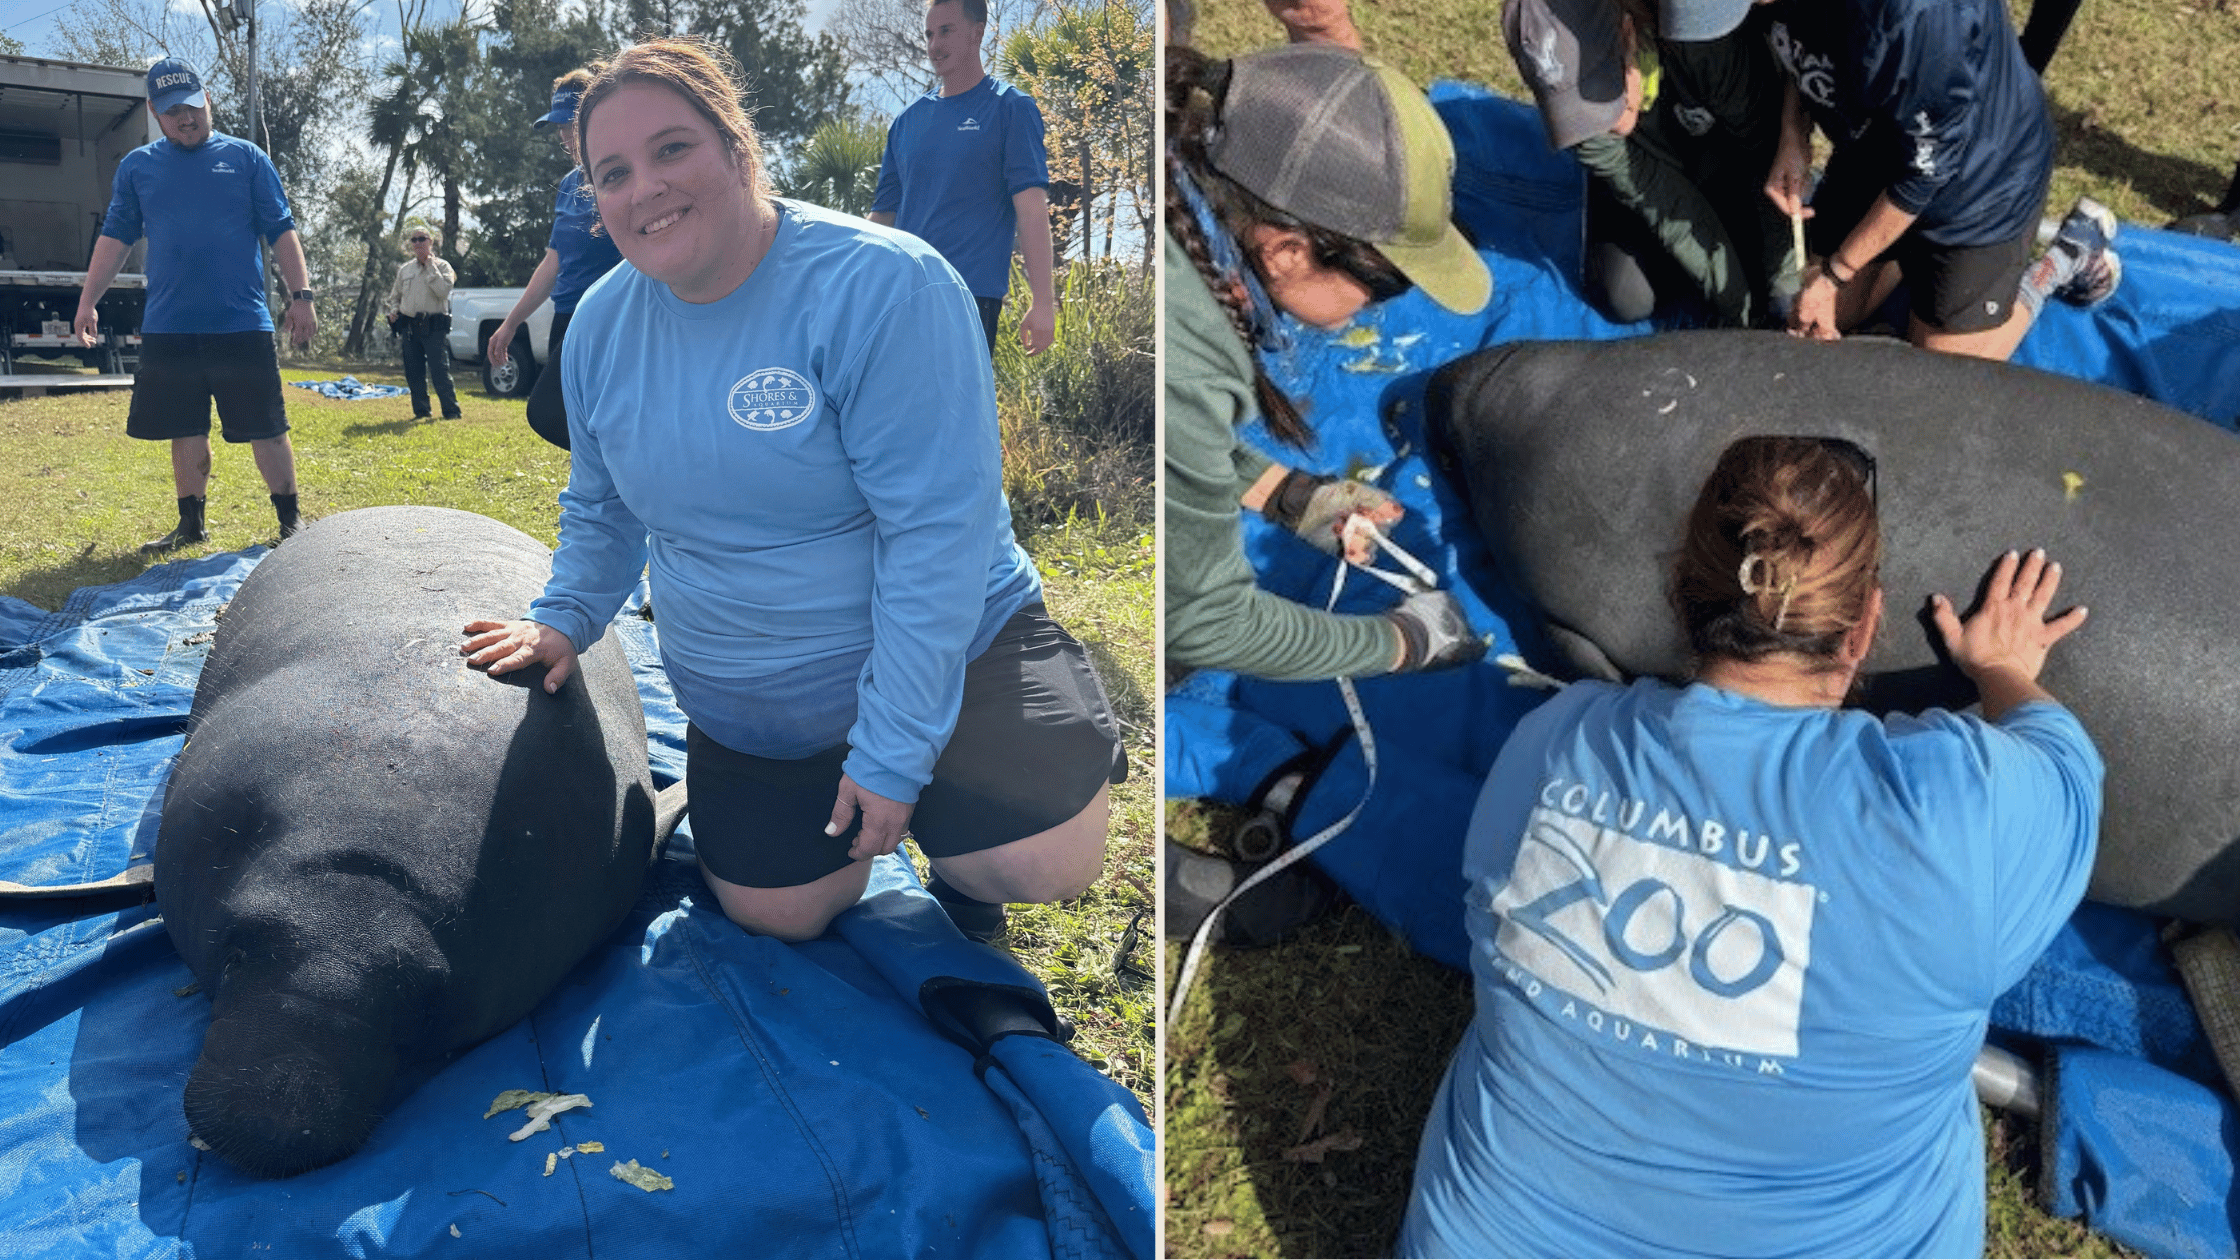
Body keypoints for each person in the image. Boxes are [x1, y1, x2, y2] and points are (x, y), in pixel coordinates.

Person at [458, 38, 1123, 945]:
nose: (643, 187)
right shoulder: (600, 328)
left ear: (737, 146)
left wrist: (893, 754)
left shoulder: (885, 285)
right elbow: (602, 506)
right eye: (611, 173)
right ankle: (842, 803)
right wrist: (565, 615)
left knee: (1037, 857)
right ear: (595, 203)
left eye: (672, 149)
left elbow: (936, 536)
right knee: (777, 915)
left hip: (955, 648)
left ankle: (962, 840)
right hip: (762, 693)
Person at [1397, 436, 2102, 1257]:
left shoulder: (1555, 742)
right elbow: (2065, 763)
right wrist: (2005, 669)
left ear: (1678, 595)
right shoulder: (1959, 812)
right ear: (1865, 625)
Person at [1163, 42, 1493, 939]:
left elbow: (1165, 446)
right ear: (1287, 247)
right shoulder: (1185, 345)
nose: (1385, 307)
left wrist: (1285, 494)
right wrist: (1399, 641)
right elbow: (1209, 625)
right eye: (1383, 283)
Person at [1737, 0, 2120, 361]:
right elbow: (1796, 43)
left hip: (1983, 173)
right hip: (1878, 146)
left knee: (1938, 374)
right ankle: (1907, 255)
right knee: (1816, 319)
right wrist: (1792, 132)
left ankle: (2063, 259)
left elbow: (1925, 173)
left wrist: (1836, 274)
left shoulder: (1917, 15)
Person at [73, 57, 314, 552]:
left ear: (207, 99)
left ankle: (290, 525)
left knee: (266, 427)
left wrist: (301, 296)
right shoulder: (138, 167)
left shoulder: (247, 158)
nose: (185, 118)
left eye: (191, 106)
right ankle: (190, 524)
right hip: (169, 325)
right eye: (171, 111)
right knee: (183, 427)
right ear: (154, 113)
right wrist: (87, 301)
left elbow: (281, 230)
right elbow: (115, 238)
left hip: (241, 322)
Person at [1505, 0, 1790, 326]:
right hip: (1653, 174)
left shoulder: (1704, 40)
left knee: (1767, 266)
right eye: (1577, 107)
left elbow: (1762, 149)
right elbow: (1660, 197)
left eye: (1601, 91)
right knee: (1626, 295)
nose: (1610, 127)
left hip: (1724, 151)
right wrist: (1740, 312)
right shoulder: (1583, 127)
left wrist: (1785, 291)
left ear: (1628, 32)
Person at [868, 0, 1058, 359]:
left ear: (977, 32)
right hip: (900, 301)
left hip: (968, 298)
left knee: (956, 415)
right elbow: (881, 220)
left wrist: (1043, 302)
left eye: (946, 31)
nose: (934, 45)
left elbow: (1032, 210)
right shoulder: (905, 124)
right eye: (928, 34)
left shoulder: (1011, 109)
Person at [487, 68, 625, 451]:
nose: (564, 136)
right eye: (558, 127)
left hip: (609, 315)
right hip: (566, 317)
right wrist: (510, 324)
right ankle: (591, 497)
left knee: (553, 412)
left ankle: (624, 490)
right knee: (574, 418)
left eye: (570, 124)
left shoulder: (621, 173)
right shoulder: (568, 185)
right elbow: (553, 263)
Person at [383, 226, 460, 421]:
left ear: (430, 242)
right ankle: (421, 411)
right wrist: (394, 312)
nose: (418, 243)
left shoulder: (443, 267)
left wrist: (430, 267)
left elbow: (443, 292)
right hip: (409, 327)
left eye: (422, 239)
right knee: (414, 371)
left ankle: (451, 412)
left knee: (439, 370)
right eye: (414, 240)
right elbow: (395, 297)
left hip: (434, 327)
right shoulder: (405, 270)